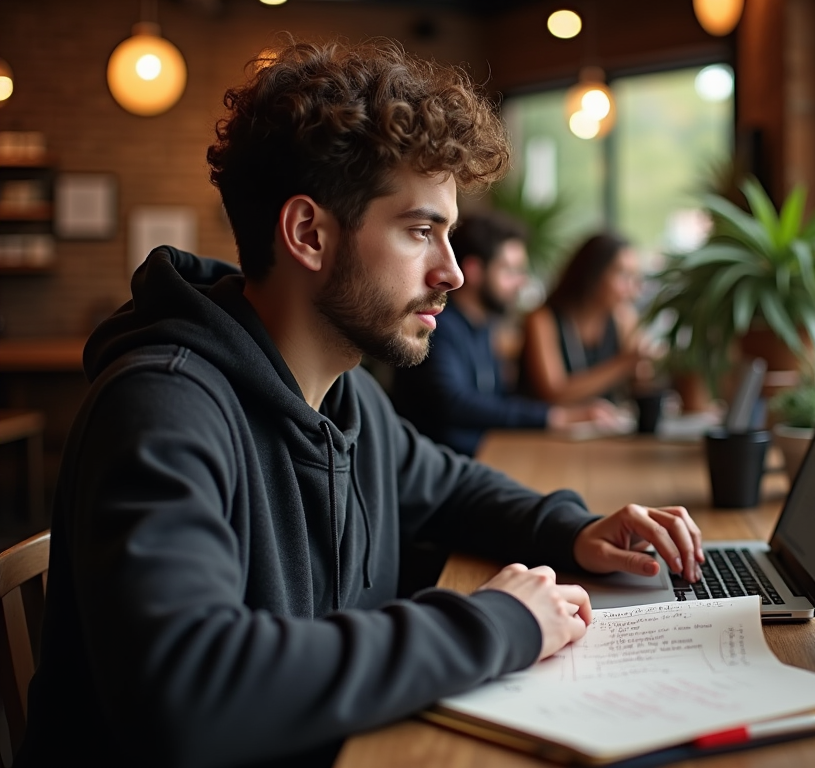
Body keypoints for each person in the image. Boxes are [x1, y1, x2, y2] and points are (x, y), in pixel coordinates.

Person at [17, 38, 703, 768]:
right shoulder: (162, 407)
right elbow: (193, 691)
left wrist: (574, 529)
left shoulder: (345, 396)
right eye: (420, 231)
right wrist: (494, 624)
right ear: (309, 233)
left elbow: (451, 489)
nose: (451, 274)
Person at [389, 211, 621, 456]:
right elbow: (453, 402)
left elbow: (495, 399)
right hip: (439, 470)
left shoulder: (484, 326)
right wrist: (553, 417)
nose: (520, 282)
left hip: (481, 457)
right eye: (510, 271)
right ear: (475, 270)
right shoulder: (438, 325)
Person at [518, 232, 657, 406]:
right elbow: (553, 393)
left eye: (634, 277)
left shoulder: (623, 319)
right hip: (541, 431)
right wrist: (624, 363)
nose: (631, 287)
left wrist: (643, 366)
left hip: (603, 427)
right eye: (622, 275)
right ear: (592, 273)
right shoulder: (543, 319)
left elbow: (641, 386)